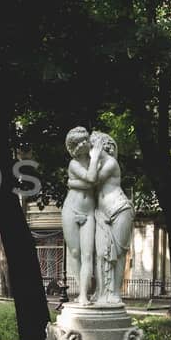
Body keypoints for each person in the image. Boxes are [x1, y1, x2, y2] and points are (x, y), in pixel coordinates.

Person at [88, 131, 133, 304]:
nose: (89, 149)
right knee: (101, 253)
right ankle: (101, 292)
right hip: (102, 213)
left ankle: (114, 294)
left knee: (119, 254)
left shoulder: (111, 163)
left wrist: (94, 157)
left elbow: (92, 180)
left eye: (92, 145)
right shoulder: (96, 165)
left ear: (102, 146)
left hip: (120, 209)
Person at [61, 127, 96, 305]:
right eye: (79, 142)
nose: (83, 143)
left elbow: (93, 181)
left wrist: (73, 183)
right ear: (73, 146)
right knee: (75, 253)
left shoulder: (96, 160)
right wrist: (79, 183)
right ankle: (81, 289)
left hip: (89, 212)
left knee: (88, 254)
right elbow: (91, 180)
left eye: (85, 139)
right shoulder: (73, 164)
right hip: (71, 209)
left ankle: (84, 294)